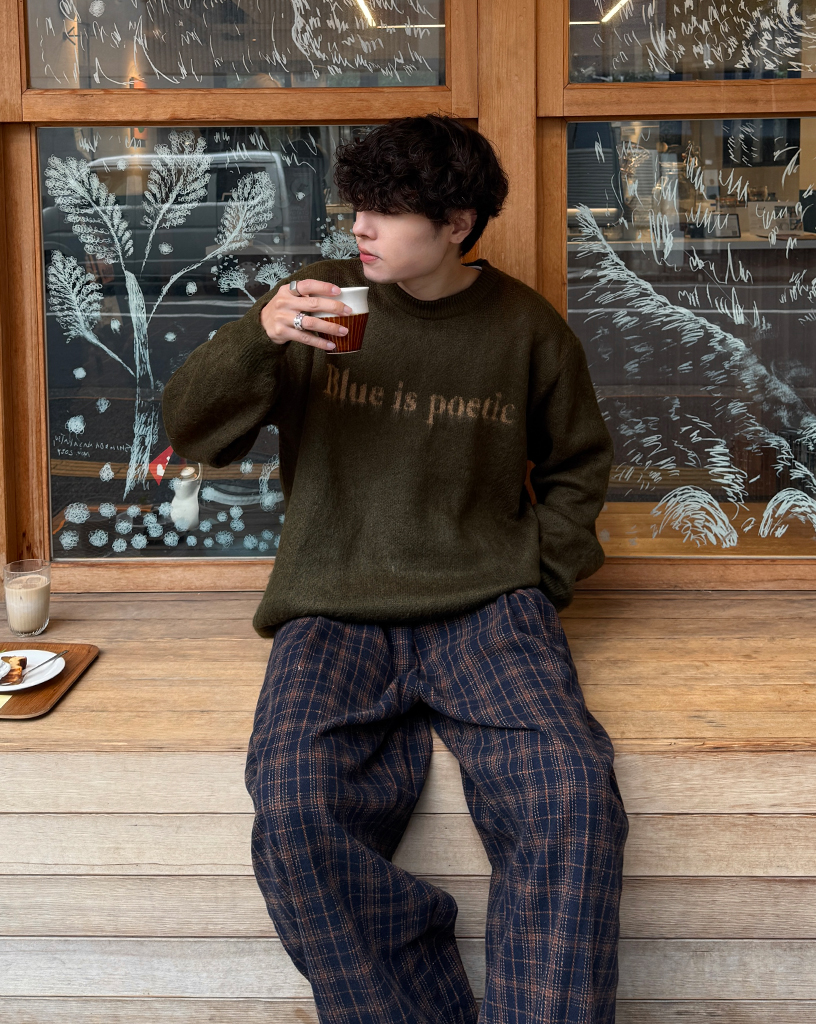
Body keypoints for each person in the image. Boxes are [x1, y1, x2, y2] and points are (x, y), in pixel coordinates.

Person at [162, 115, 628, 1024]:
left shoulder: (526, 329)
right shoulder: (318, 302)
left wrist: (540, 571)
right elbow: (192, 430)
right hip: (331, 604)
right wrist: (260, 334)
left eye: (386, 211)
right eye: (357, 207)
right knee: (293, 807)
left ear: (456, 224)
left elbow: (579, 467)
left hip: (488, 607)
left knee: (574, 795)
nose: (360, 228)